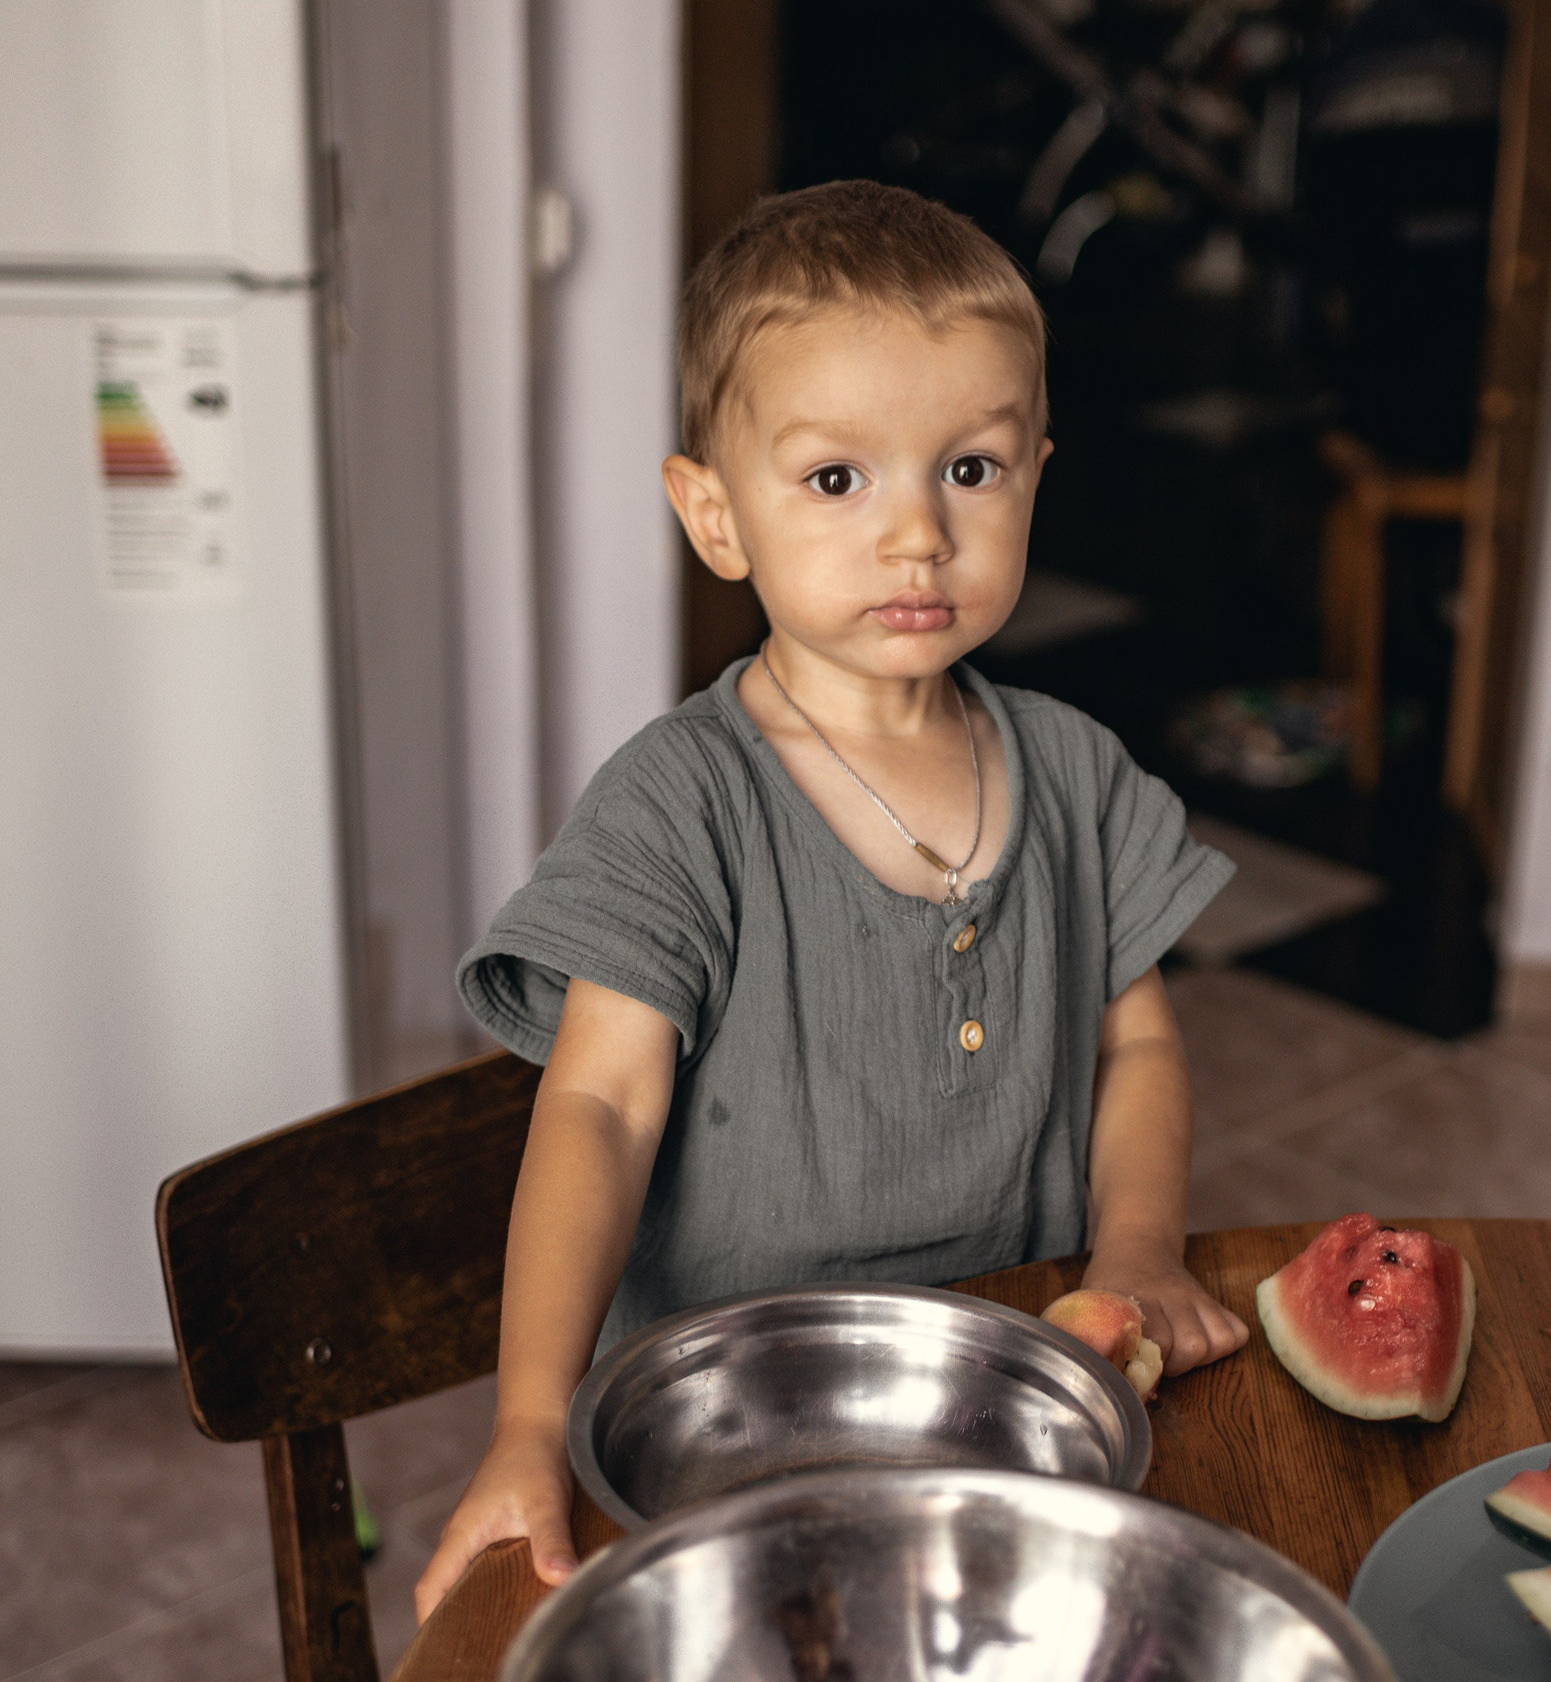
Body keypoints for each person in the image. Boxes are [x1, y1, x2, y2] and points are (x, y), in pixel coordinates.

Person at [413, 180, 1247, 1620]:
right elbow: (600, 1109)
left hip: (1009, 1437)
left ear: (1037, 475)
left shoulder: (1074, 770)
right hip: (728, 1458)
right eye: (839, 480)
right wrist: (535, 1423)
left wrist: (1137, 1245)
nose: (918, 533)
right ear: (715, 515)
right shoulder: (682, 801)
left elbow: (1140, 1048)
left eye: (971, 471)